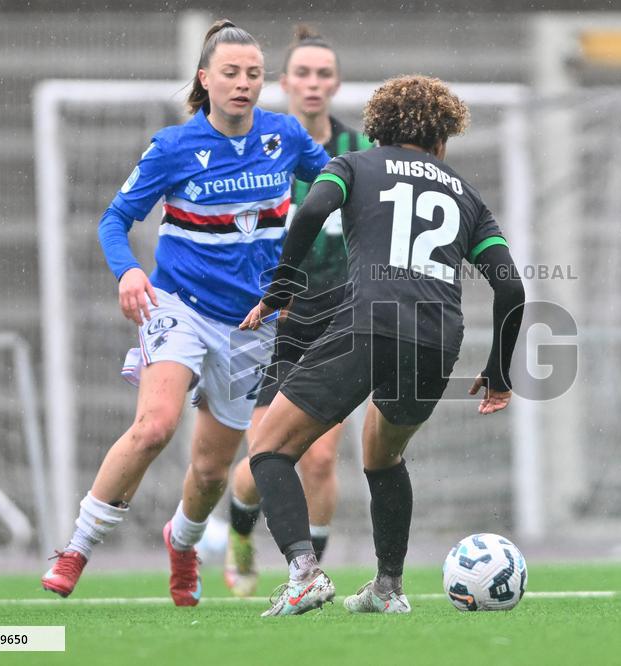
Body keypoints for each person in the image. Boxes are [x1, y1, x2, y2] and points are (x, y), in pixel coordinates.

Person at [40, 19, 329, 607]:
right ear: (205, 78)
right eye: (230, 73)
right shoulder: (174, 148)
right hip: (180, 307)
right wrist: (128, 271)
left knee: (208, 473)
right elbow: (113, 221)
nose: (243, 83)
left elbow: (338, 181)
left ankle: (183, 542)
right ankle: (76, 548)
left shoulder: (286, 137)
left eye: (252, 74)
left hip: (251, 325)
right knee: (154, 426)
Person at [239, 75, 526, 616]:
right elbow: (511, 286)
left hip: (369, 321)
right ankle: (388, 587)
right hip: (438, 338)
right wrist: (499, 371)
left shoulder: (353, 165)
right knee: (384, 456)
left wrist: (279, 291)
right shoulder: (465, 193)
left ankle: (304, 573)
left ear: (376, 131)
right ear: (442, 139)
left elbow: (310, 212)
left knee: (270, 449)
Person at [224, 24, 373, 598]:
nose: (313, 84)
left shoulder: (360, 154)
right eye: (302, 74)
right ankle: (240, 531)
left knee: (320, 456)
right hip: (268, 320)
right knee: (263, 455)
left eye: (323, 74)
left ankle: (308, 572)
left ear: (336, 84)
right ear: (284, 83)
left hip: (335, 316)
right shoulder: (259, 150)